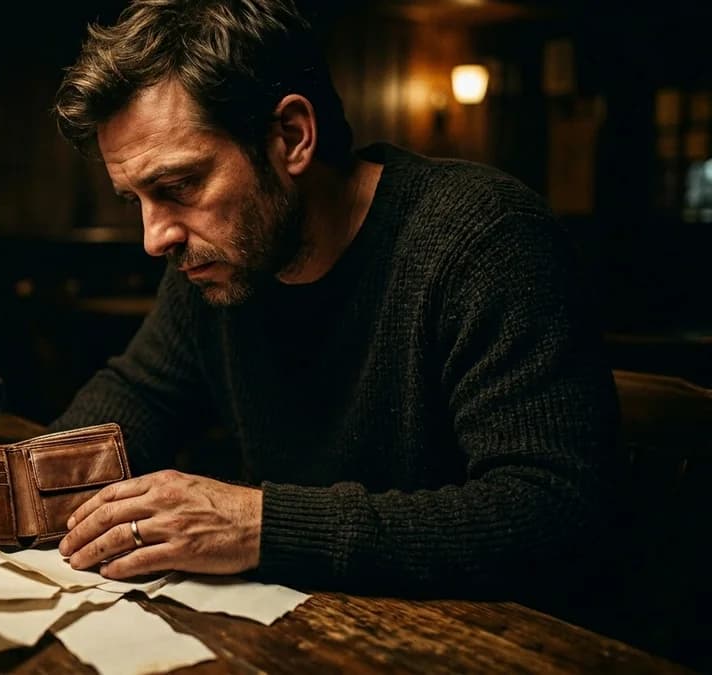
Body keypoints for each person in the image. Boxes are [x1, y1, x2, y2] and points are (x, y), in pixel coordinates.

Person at [48, 0, 621, 597]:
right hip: (305, 626)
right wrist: (5, 488)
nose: (153, 236)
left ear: (292, 137)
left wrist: (259, 526)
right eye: (134, 199)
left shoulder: (484, 238)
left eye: (179, 185)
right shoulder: (219, 259)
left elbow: (556, 511)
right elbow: (140, 395)